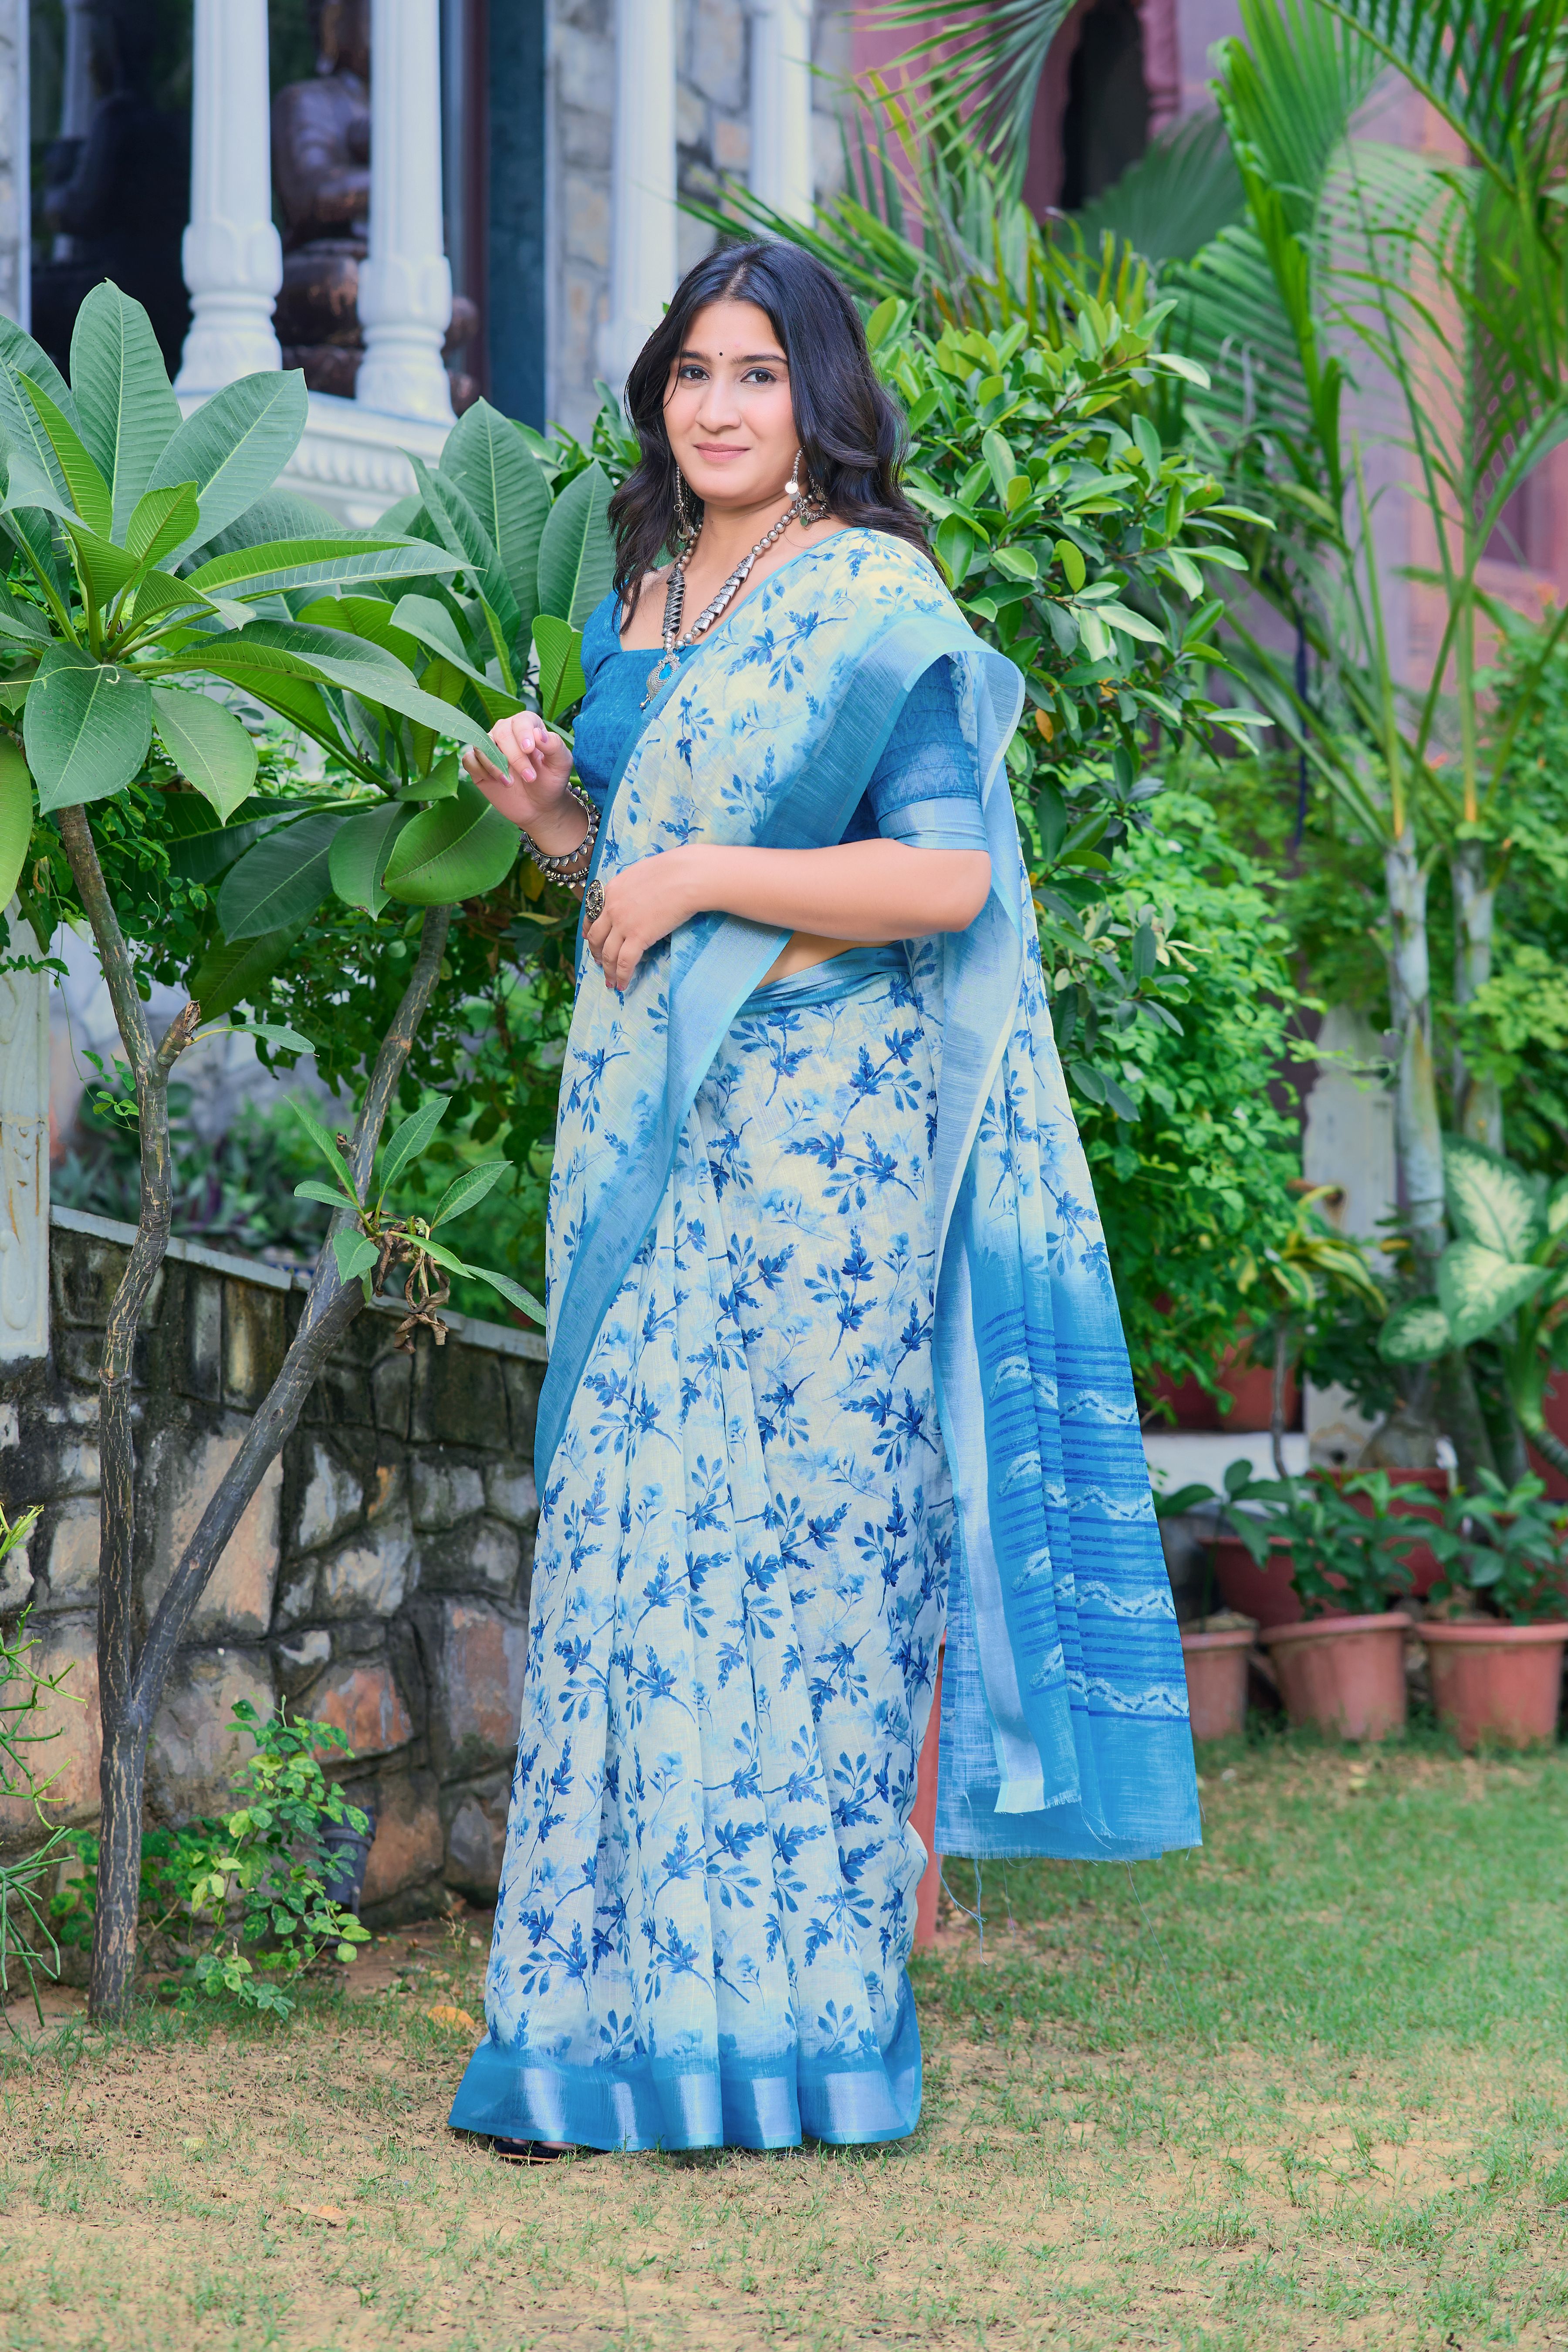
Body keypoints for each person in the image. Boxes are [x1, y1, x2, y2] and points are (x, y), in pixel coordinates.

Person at [447, 241, 1200, 2163]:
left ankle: (801, 2038)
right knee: (635, 1560)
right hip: (653, 1144)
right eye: (693, 371)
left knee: (802, 1571)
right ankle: (593, 2036)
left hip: (820, 1166)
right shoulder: (642, 600)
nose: (718, 405)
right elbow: (633, 885)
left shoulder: (872, 598)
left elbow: (943, 884)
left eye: (759, 373)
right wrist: (560, 830)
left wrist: (695, 873)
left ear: (820, 403)